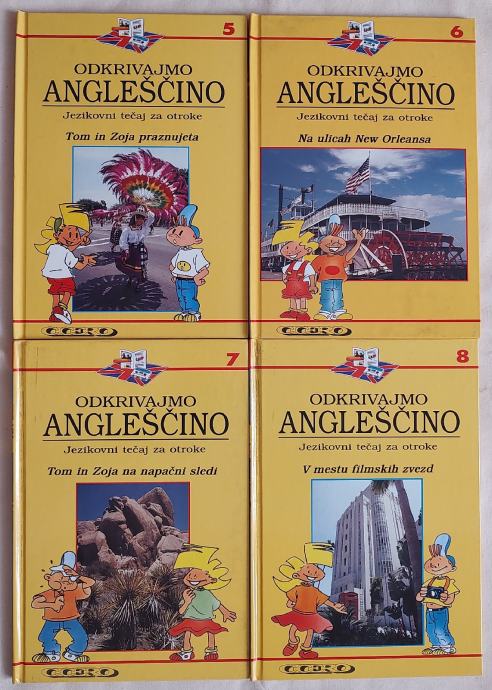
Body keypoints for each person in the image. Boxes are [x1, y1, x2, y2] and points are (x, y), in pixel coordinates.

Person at [272, 542, 346, 659]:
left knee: (310, 632)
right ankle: (292, 643)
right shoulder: (298, 588)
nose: (313, 571)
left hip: (311, 615)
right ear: (297, 575)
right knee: (293, 629)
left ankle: (305, 650)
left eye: (315, 569)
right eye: (308, 570)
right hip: (298, 613)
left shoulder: (315, 591)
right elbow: (291, 597)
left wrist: (334, 605)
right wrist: (290, 602)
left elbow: (324, 600)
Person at [168, 545, 236, 661]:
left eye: (196, 575)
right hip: (190, 619)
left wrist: (226, 612)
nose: (192, 577)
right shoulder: (187, 593)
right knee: (187, 633)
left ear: (209, 579)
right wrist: (187, 602)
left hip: (206, 619)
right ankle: (187, 653)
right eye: (190, 575)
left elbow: (217, 604)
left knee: (211, 632)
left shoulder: (207, 594)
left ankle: (211, 651)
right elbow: (181, 611)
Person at [35, 204, 96, 324]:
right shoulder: (67, 253)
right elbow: (78, 266)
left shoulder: (52, 247)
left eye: (76, 235)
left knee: (56, 292)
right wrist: (86, 260)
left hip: (49, 275)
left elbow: (67, 247)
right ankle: (62, 310)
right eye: (70, 235)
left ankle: (54, 314)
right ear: (57, 235)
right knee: (69, 289)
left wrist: (79, 241)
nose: (74, 238)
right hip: (62, 275)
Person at [31, 551, 94, 663]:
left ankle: (73, 653)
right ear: (48, 578)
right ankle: (51, 653)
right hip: (52, 620)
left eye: (67, 581)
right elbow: (34, 603)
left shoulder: (73, 591)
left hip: (70, 619)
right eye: (59, 580)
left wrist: (77, 575)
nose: (63, 583)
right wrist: (52, 605)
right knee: (45, 637)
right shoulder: (49, 593)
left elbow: (90, 583)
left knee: (81, 637)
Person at [311, 214, 365, 321]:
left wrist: (358, 241)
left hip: (338, 281)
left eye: (337, 243)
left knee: (338, 296)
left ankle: (338, 312)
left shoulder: (340, 258)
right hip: (325, 281)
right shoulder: (320, 259)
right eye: (331, 243)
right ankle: (325, 312)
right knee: (326, 296)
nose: (334, 246)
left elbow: (350, 254)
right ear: (321, 244)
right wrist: (312, 285)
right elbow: (312, 272)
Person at [416, 533, 460, 655]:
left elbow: (450, 599)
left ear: (452, 568)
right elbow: (419, 598)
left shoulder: (449, 582)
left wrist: (445, 598)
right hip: (429, 611)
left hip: (441, 611)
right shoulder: (429, 582)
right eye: (432, 559)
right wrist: (421, 594)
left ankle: (447, 646)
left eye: (440, 560)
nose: (434, 563)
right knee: (430, 629)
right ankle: (435, 645)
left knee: (441, 629)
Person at [166, 204, 210, 321]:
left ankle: (195, 314)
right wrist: (174, 274)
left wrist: (197, 278)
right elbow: (174, 265)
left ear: (197, 240)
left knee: (190, 298)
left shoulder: (196, 253)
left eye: (180, 233)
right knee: (181, 298)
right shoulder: (180, 252)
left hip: (190, 281)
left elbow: (204, 270)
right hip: (179, 280)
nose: (174, 236)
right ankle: (184, 313)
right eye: (174, 231)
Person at [116, 205, 155, 289]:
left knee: (139, 267)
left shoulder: (144, 227)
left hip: (140, 250)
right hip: (130, 250)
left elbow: (151, 217)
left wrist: (146, 208)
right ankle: (130, 280)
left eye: (142, 219)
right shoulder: (128, 229)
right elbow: (123, 240)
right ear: (134, 218)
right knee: (130, 267)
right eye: (138, 218)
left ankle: (138, 284)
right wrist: (126, 249)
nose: (140, 220)